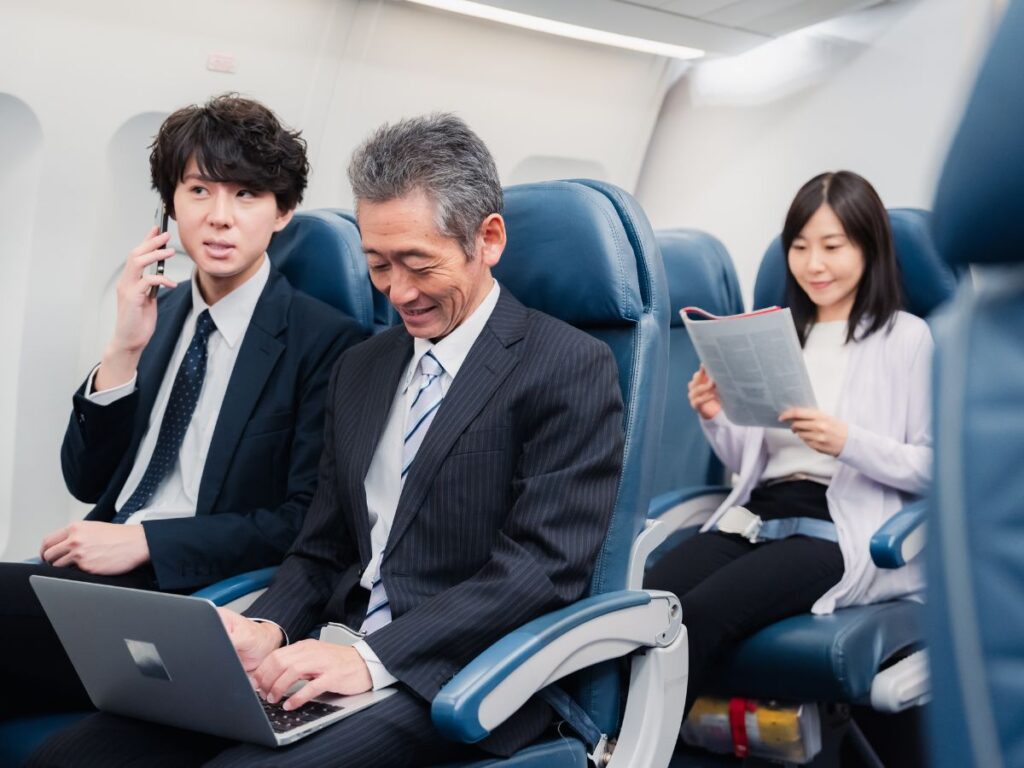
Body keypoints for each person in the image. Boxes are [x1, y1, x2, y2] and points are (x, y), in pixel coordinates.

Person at [29, 113, 625, 767]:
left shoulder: (566, 365)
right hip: (321, 647)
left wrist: (368, 659)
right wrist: (268, 626)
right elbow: (320, 547)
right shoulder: (364, 368)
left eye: (418, 265)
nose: (398, 292)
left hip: (452, 673)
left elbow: (539, 571)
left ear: (487, 239)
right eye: (377, 265)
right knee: (77, 754)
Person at [1, 94, 365, 717]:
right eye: (199, 191)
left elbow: (303, 521)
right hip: (103, 569)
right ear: (171, 204)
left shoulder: (327, 344)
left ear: (284, 212)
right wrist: (122, 349)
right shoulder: (160, 313)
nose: (219, 218)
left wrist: (147, 541)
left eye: (246, 194)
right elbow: (84, 478)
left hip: (193, 585)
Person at [646, 170, 932, 713]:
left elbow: (934, 468)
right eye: (799, 247)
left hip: (837, 526)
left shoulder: (906, 337)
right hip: (758, 512)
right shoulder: (783, 335)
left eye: (832, 246)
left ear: (868, 247)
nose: (813, 264)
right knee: (647, 607)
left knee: (702, 616)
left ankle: (631, 750)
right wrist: (715, 416)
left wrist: (847, 441)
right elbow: (747, 462)